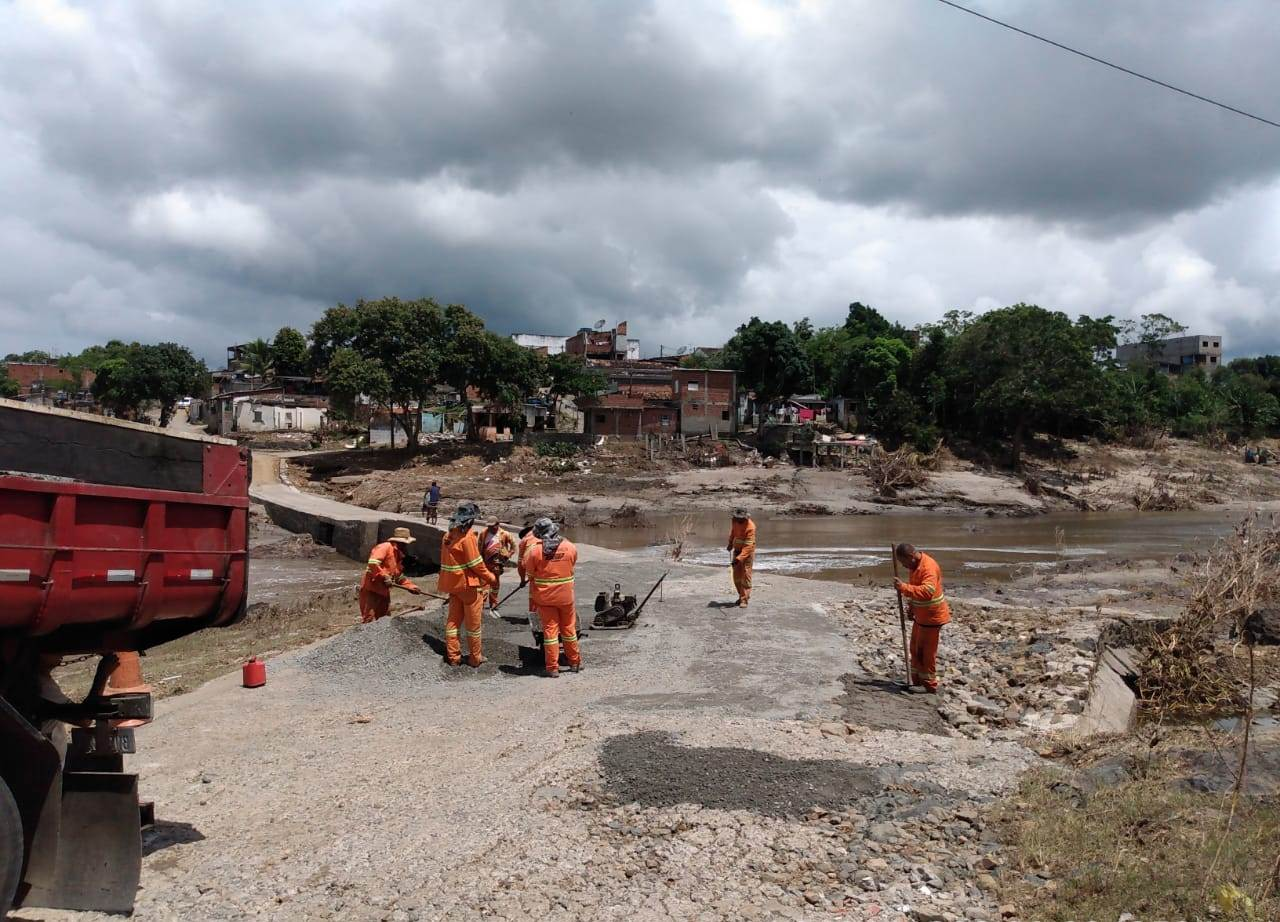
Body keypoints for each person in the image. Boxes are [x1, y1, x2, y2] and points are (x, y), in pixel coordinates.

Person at [438, 502, 496, 667]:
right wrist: (491, 578)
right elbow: (476, 564)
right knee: (473, 625)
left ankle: (454, 657)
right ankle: (475, 659)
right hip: (469, 587)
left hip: (453, 586)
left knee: (453, 622)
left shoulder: (447, 536)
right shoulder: (467, 537)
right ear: (470, 521)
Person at [522, 518, 581, 678]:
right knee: (569, 629)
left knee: (550, 631)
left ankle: (552, 668)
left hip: (545, 598)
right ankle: (574, 662)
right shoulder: (569, 547)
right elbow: (572, 564)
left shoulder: (534, 551)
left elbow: (530, 574)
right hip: (565, 596)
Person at [893, 542, 951, 693]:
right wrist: (911, 608)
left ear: (911, 557)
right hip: (921, 616)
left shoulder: (928, 567)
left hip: (932, 617)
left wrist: (904, 588)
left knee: (926, 652)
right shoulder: (914, 566)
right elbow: (916, 588)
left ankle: (929, 685)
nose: (903, 566)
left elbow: (927, 592)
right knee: (915, 649)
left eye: (903, 562)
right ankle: (916, 680)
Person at [359, 527, 423, 623]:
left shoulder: (398, 554)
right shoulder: (385, 547)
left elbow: (398, 576)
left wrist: (411, 587)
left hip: (383, 590)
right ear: (400, 542)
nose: (406, 546)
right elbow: (372, 563)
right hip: (371, 588)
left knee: (384, 618)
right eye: (405, 544)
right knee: (368, 617)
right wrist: (384, 576)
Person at [480, 517, 518, 617]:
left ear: (497, 524)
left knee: (495, 584)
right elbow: (479, 546)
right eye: (489, 526)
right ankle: (481, 603)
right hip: (485, 563)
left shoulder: (504, 534)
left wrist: (509, 555)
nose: (490, 528)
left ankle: (493, 603)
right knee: (483, 584)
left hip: (498, 563)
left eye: (492, 526)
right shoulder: (483, 533)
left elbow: (514, 545)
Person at [726, 508, 756, 608]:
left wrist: (739, 559)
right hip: (737, 550)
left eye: (740, 519)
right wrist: (730, 543)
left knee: (746, 575)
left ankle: (744, 599)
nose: (738, 521)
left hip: (747, 554)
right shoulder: (734, 521)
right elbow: (733, 532)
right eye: (737, 518)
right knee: (737, 576)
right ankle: (741, 595)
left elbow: (748, 546)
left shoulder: (750, 527)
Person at [517, 523, 541, 640]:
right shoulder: (544, 534)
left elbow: (521, 565)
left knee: (534, 595)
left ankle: (534, 618)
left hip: (532, 568)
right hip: (547, 568)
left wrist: (522, 579)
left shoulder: (524, 541)